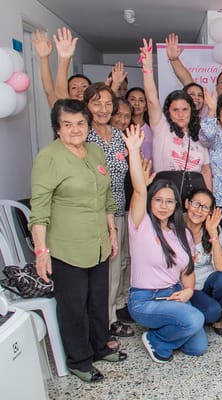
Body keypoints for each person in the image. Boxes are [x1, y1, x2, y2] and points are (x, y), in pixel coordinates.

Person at [30, 99, 126, 383]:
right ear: (57, 128)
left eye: (80, 123)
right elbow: (40, 210)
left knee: (97, 300)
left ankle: (99, 346)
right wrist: (41, 251)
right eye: (67, 124)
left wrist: (111, 232)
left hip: (97, 242)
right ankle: (79, 360)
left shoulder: (95, 151)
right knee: (73, 306)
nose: (75, 129)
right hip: (67, 246)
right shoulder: (49, 157)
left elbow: (107, 197)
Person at [124, 124, 208, 363]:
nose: (163, 205)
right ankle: (157, 340)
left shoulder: (180, 233)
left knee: (197, 347)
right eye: (158, 200)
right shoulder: (140, 225)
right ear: (151, 202)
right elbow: (140, 191)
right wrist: (133, 150)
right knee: (194, 320)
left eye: (169, 201)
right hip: (145, 301)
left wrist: (189, 291)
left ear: (176, 206)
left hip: (173, 294)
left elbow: (188, 270)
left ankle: (164, 331)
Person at [83, 83, 133, 344]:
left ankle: (115, 312)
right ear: (87, 106)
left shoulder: (117, 134)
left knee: (121, 263)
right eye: (96, 103)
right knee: (106, 268)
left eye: (107, 104)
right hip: (97, 214)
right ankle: (105, 320)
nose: (102, 109)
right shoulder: (83, 135)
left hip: (120, 208)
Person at [140, 38, 212, 199]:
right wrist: (147, 68)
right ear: (168, 111)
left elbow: (206, 170)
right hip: (166, 190)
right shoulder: (161, 127)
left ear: (191, 110)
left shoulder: (199, 132)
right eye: (175, 110)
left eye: (185, 109)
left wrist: (209, 199)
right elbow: (151, 99)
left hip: (196, 192)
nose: (181, 114)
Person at [184, 188, 222, 335]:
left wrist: (213, 233)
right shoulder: (175, 227)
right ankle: (209, 311)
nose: (199, 210)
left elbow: (221, 267)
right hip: (187, 286)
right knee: (213, 311)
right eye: (196, 204)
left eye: (205, 207)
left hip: (207, 284)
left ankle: (212, 312)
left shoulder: (212, 227)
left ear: (210, 211)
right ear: (187, 203)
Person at [125, 87, 153, 161]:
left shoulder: (153, 129)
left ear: (146, 106)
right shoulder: (123, 128)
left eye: (141, 100)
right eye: (132, 99)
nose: (136, 103)